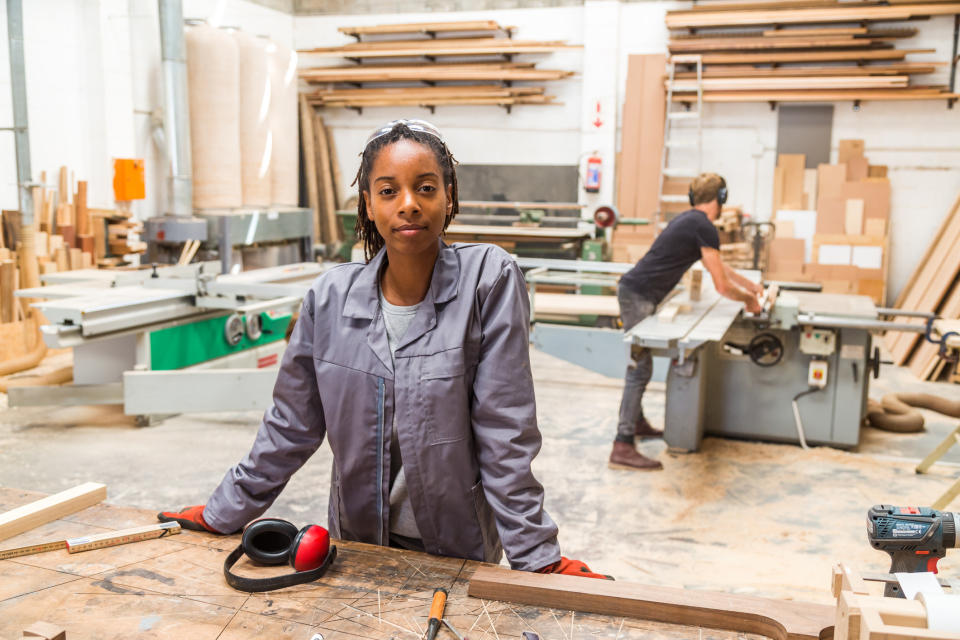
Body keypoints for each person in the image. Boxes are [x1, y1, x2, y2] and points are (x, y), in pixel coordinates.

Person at [159, 120, 606, 579]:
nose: (408, 204)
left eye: (426, 187)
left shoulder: (488, 281)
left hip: (458, 549)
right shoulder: (329, 299)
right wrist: (223, 511)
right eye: (388, 191)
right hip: (357, 547)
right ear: (368, 205)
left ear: (449, 196)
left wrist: (538, 556)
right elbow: (291, 425)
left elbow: (504, 430)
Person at [609, 173, 764, 471]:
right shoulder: (702, 225)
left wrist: (751, 286)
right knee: (639, 368)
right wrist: (748, 301)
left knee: (640, 367)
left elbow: (720, 267)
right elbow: (720, 285)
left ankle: (636, 424)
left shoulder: (692, 222)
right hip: (638, 295)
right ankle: (622, 444)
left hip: (638, 293)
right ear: (720, 199)